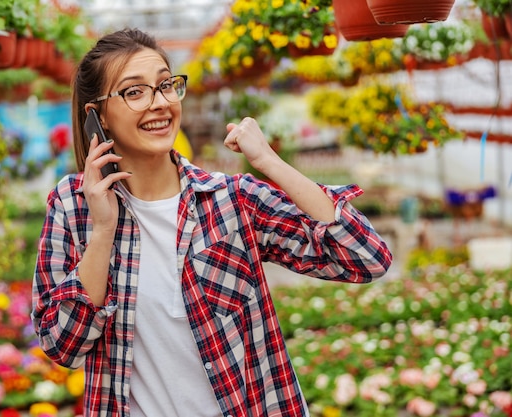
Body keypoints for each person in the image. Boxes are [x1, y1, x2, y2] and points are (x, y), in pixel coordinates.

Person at [31, 28, 393, 417]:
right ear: (96, 115)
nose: (160, 103)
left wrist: (270, 163)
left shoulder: (231, 200)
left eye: (166, 85)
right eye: (135, 92)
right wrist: (103, 231)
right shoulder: (73, 204)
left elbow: (366, 258)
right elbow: (62, 345)